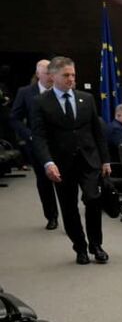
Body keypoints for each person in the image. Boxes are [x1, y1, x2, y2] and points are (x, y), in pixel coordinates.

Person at [32, 56, 111, 265]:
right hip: (61, 163)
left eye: (73, 75)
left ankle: (96, 244)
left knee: (93, 199)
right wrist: (48, 162)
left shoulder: (86, 98)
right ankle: (80, 247)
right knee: (69, 207)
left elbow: (97, 131)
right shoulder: (41, 102)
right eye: (66, 75)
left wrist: (105, 160)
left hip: (89, 160)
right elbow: (39, 136)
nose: (71, 79)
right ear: (53, 76)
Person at [10, 59, 59, 229]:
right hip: (37, 144)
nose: (51, 76)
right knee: (44, 181)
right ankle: (51, 216)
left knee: (64, 180)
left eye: (53, 73)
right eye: (47, 73)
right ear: (38, 74)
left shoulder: (61, 89)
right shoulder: (25, 92)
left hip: (60, 143)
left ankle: (69, 216)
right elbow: (14, 118)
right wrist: (29, 135)